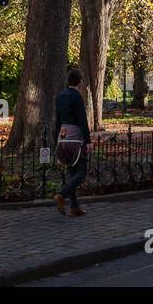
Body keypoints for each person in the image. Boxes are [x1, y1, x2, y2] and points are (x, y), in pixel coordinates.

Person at [52, 68, 91, 217]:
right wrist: (88, 141)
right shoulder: (77, 97)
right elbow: (82, 120)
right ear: (80, 81)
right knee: (81, 172)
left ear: (68, 81)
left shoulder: (60, 96)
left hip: (63, 137)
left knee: (72, 172)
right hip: (75, 139)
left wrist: (57, 137)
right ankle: (61, 194)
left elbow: (58, 120)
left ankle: (74, 207)